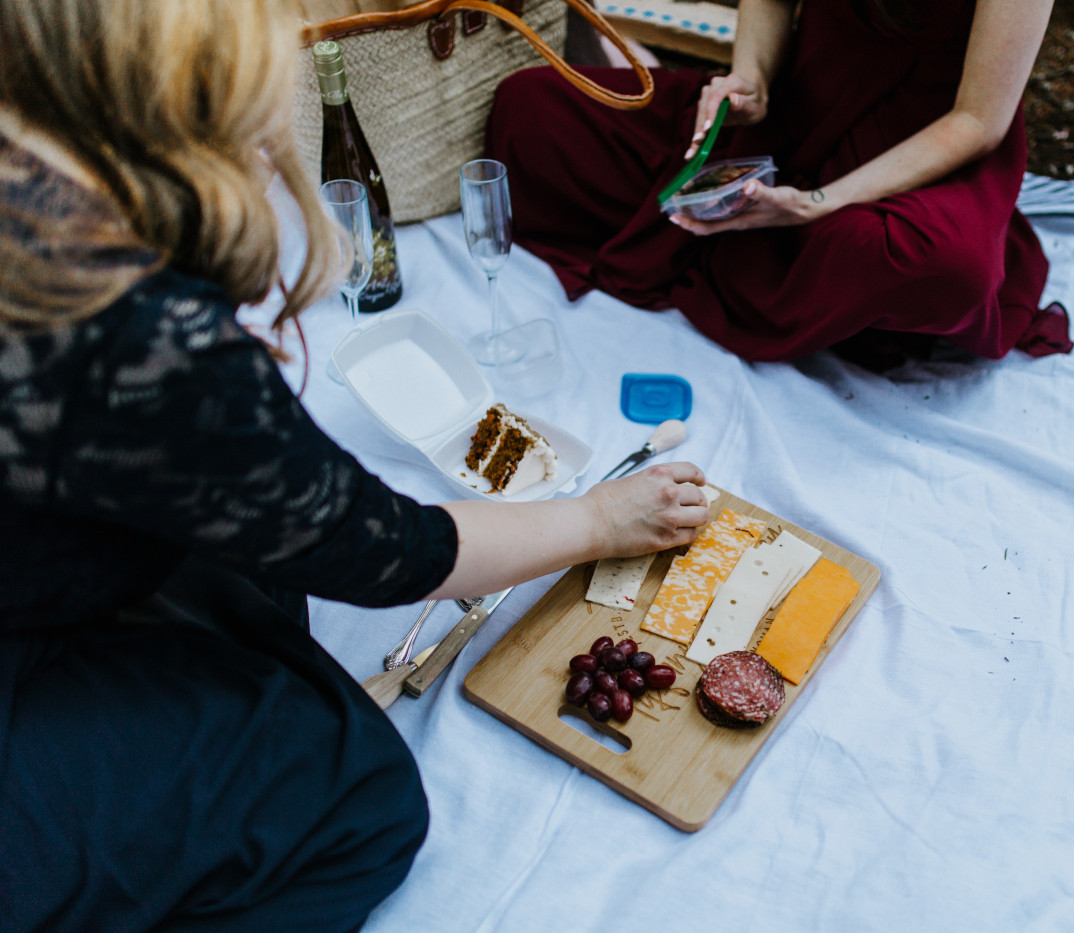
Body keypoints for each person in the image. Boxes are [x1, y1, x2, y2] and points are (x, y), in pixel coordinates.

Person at [0, 2, 711, 931]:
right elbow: (388, 552)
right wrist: (599, 522)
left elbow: (272, 506)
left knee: (251, 608)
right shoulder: (140, 331)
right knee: (361, 794)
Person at [487, 0, 1072, 368]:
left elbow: (977, 121)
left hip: (921, 160)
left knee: (945, 268)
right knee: (529, 109)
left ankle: (818, 280)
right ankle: (804, 280)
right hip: (795, 115)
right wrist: (750, 79)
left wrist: (818, 204)